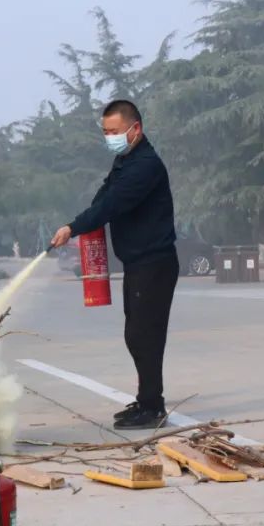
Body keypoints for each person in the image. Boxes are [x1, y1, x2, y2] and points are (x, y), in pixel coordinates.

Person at [52, 100, 178, 430]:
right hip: (138, 263)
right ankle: (147, 399)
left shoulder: (145, 166)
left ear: (135, 129)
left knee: (144, 334)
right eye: (105, 132)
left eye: (114, 132)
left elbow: (112, 204)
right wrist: (80, 220)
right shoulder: (125, 160)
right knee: (136, 334)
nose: (109, 138)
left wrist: (72, 228)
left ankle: (153, 407)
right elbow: (103, 196)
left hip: (155, 263)